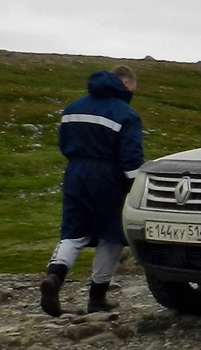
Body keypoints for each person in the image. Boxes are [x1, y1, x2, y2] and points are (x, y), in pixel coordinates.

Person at [42, 66, 144, 316]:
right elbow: (130, 157)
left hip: (75, 172)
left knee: (74, 230)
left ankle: (54, 277)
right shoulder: (125, 113)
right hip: (108, 176)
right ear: (125, 83)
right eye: (132, 88)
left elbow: (64, 143)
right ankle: (97, 296)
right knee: (112, 234)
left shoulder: (73, 108)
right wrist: (136, 185)